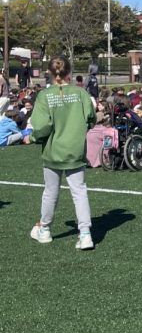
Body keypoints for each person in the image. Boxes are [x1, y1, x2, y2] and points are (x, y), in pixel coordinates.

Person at [28, 55, 96, 249]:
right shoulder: (80, 93)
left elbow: (42, 126)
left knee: (50, 192)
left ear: (49, 73)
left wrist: (33, 138)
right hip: (75, 150)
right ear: (70, 73)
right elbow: (91, 117)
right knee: (79, 191)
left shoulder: (44, 96)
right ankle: (85, 234)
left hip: (53, 151)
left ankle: (45, 229)